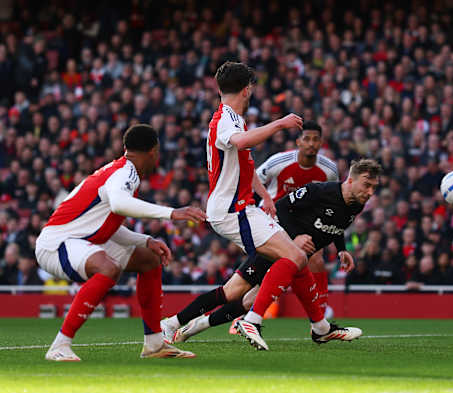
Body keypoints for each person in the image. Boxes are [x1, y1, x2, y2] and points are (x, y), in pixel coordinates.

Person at [163, 159, 380, 350]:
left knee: (247, 302)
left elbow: (336, 226)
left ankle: (197, 326)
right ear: (350, 180)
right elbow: (282, 208)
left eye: (373, 187)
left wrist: (341, 248)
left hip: (291, 258)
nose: (370, 192)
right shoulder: (320, 191)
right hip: (275, 244)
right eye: (366, 185)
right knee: (231, 292)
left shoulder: (355, 204)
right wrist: (293, 239)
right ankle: (173, 322)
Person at [35, 124, 207, 361]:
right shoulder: (125, 173)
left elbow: (107, 225)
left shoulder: (121, 170)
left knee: (149, 259)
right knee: (108, 268)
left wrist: (145, 240)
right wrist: (171, 213)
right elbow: (118, 205)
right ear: (153, 152)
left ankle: (155, 344)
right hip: (58, 243)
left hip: (80, 238)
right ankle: (59, 346)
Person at [255, 120, 339, 317]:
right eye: (307, 139)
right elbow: (254, 179)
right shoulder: (279, 162)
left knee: (316, 257)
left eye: (315, 140)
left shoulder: (329, 170)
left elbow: (332, 198)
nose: (311, 143)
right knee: (269, 262)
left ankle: (321, 308)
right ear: (298, 142)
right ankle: (251, 306)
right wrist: (261, 201)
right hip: (274, 217)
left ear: (321, 143)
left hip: (304, 221)